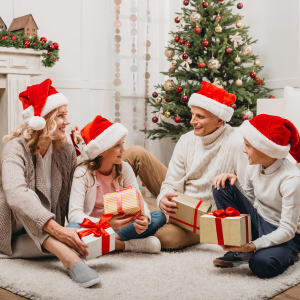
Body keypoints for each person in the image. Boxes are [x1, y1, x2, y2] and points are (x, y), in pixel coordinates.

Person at [123, 81, 248, 250]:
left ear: (219, 120)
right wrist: (163, 199)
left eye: (200, 117)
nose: (192, 121)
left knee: (165, 238)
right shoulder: (187, 140)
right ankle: (114, 211)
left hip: (205, 216)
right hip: (179, 200)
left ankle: (141, 220)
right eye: (193, 114)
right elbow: (170, 183)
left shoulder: (237, 142)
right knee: (135, 153)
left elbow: (247, 192)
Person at [0, 79, 101, 288]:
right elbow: (16, 195)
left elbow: (74, 191)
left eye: (66, 114)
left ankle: (60, 248)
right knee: (27, 196)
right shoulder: (14, 149)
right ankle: (69, 259)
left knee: (68, 240)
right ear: (43, 120)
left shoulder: (65, 150)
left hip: (34, 237)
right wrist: (58, 229)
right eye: (60, 116)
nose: (67, 121)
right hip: (12, 227)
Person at [212, 114, 300, 278]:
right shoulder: (253, 167)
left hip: (289, 234)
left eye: (248, 146)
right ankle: (243, 245)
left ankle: (288, 253)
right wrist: (234, 181)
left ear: (265, 148)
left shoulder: (291, 180)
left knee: (261, 265)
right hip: (261, 221)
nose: (244, 150)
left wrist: (253, 246)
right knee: (221, 185)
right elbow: (249, 199)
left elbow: (288, 229)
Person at [67, 115, 166, 253]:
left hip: (120, 226)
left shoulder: (124, 168)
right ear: (101, 151)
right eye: (117, 145)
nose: (123, 150)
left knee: (158, 217)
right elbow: (74, 214)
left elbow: (139, 200)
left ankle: (107, 241)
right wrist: (104, 223)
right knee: (71, 228)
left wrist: (145, 218)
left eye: (123, 143)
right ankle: (127, 245)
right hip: (95, 225)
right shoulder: (82, 173)